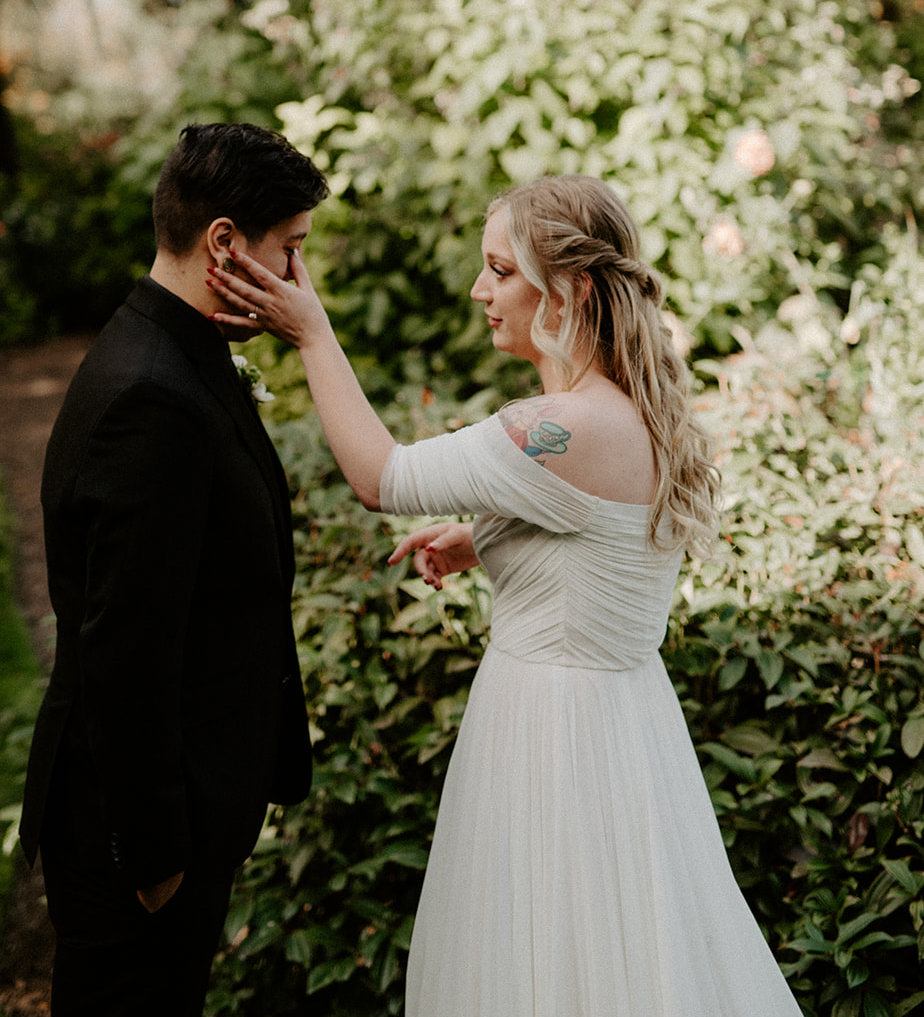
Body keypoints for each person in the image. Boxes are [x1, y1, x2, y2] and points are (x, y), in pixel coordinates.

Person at [209, 172, 805, 1017]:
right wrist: (488, 539)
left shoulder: (548, 430)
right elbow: (601, 543)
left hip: (552, 739)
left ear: (571, 289)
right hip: (627, 724)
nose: (481, 290)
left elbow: (383, 477)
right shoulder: (627, 408)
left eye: (502, 270)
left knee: (546, 964)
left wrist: (314, 337)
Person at [18, 121, 328, 1017]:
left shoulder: (179, 352)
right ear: (224, 243)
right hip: (136, 837)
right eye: (290, 252)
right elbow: (126, 647)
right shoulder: (150, 397)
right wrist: (156, 859)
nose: (300, 283)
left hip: (186, 809)